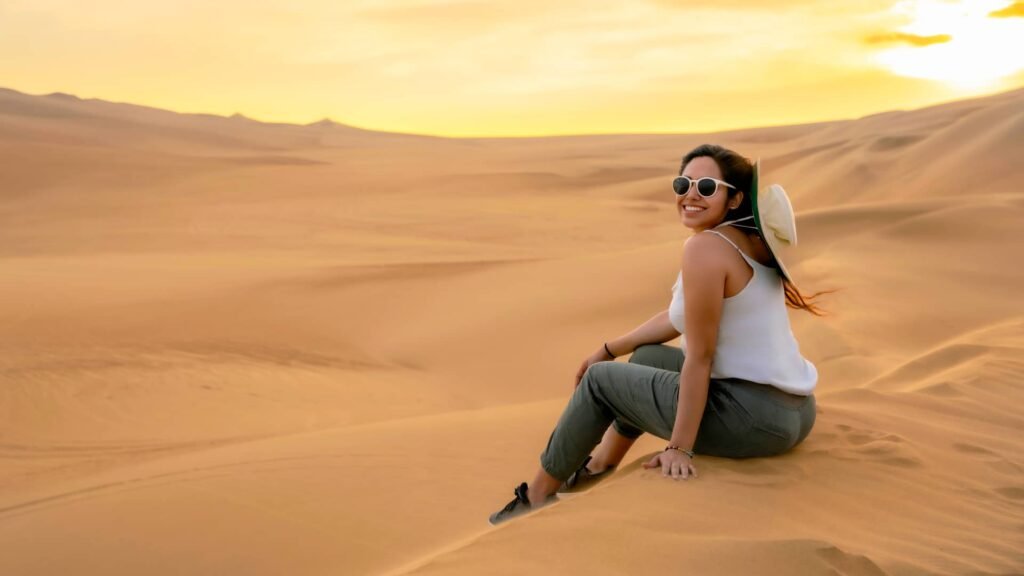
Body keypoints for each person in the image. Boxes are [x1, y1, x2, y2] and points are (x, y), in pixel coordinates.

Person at [488, 143, 833, 525]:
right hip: (796, 413)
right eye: (682, 183)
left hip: (753, 420)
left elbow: (700, 357)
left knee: (602, 382)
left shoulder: (705, 249)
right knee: (648, 357)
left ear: (734, 199)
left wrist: (679, 449)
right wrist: (610, 347)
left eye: (705, 187)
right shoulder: (747, 241)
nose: (690, 194)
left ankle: (535, 499)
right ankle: (600, 466)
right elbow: (680, 317)